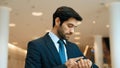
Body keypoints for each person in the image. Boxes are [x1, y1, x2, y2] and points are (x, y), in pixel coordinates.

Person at [25, 6, 98, 68]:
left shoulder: (73, 47)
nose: (72, 31)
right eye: (69, 26)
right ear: (57, 21)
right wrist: (65, 66)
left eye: (74, 27)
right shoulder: (36, 46)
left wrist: (90, 64)